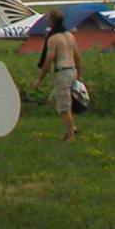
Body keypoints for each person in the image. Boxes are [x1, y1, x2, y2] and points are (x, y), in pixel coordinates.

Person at [32, 10, 82, 142]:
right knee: (53, 100)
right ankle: (72, 127)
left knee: (64, 107)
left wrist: (39, 79)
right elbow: (78, 57)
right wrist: (79, 75)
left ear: (52, 21)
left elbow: (49, 60)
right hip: (72, 71)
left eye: (48, 18)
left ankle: (71, 136)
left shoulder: (53, 39)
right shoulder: (70, 36)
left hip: (63, 72)